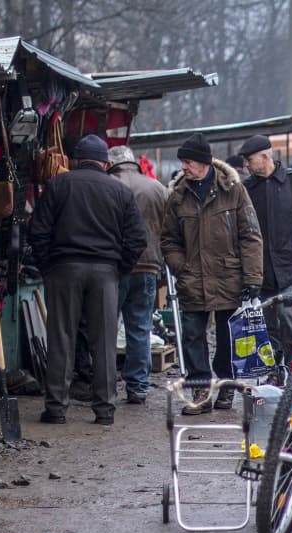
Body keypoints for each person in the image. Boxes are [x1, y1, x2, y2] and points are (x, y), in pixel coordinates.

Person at [29, 135, 146, 426]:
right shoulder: (119, 191)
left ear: (75, 160)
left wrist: (49, 267)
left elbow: (38, 231)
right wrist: (119, 270)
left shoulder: (57, 185)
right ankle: (105, 410)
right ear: (106, 163)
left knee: (61, 339)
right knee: (104, 343)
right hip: (105, 273)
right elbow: (137, 239)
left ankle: (56, 409)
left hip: (64, 270)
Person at [161, 133, 264, 415]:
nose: (184, 167)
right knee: (193, 335)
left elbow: (251, 236)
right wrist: (180, 266)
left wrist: (253, 278)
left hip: (228, 276)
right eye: (182, 162)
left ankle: (226, 387)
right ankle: (201, 389)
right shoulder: (178, 196)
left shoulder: (234, 190)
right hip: (193, 278)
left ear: (205, 163)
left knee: (227, 337)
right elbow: (168, 238)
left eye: (189, 162)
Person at [240, 134, 292, 368]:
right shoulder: (248, 189)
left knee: (290, 319)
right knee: (266, 325)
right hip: (262, 269)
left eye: (249, 159)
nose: (246, 165)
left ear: (265, 157)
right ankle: (273, 373)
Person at [107, 145, 169, 405]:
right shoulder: (157, 188)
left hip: (114, 268)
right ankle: (138, 386)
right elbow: (169, 230)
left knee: (107, 329)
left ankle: (106, 386)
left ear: (112, 163)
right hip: (148, 267)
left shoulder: (108, 185)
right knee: (140, 329)